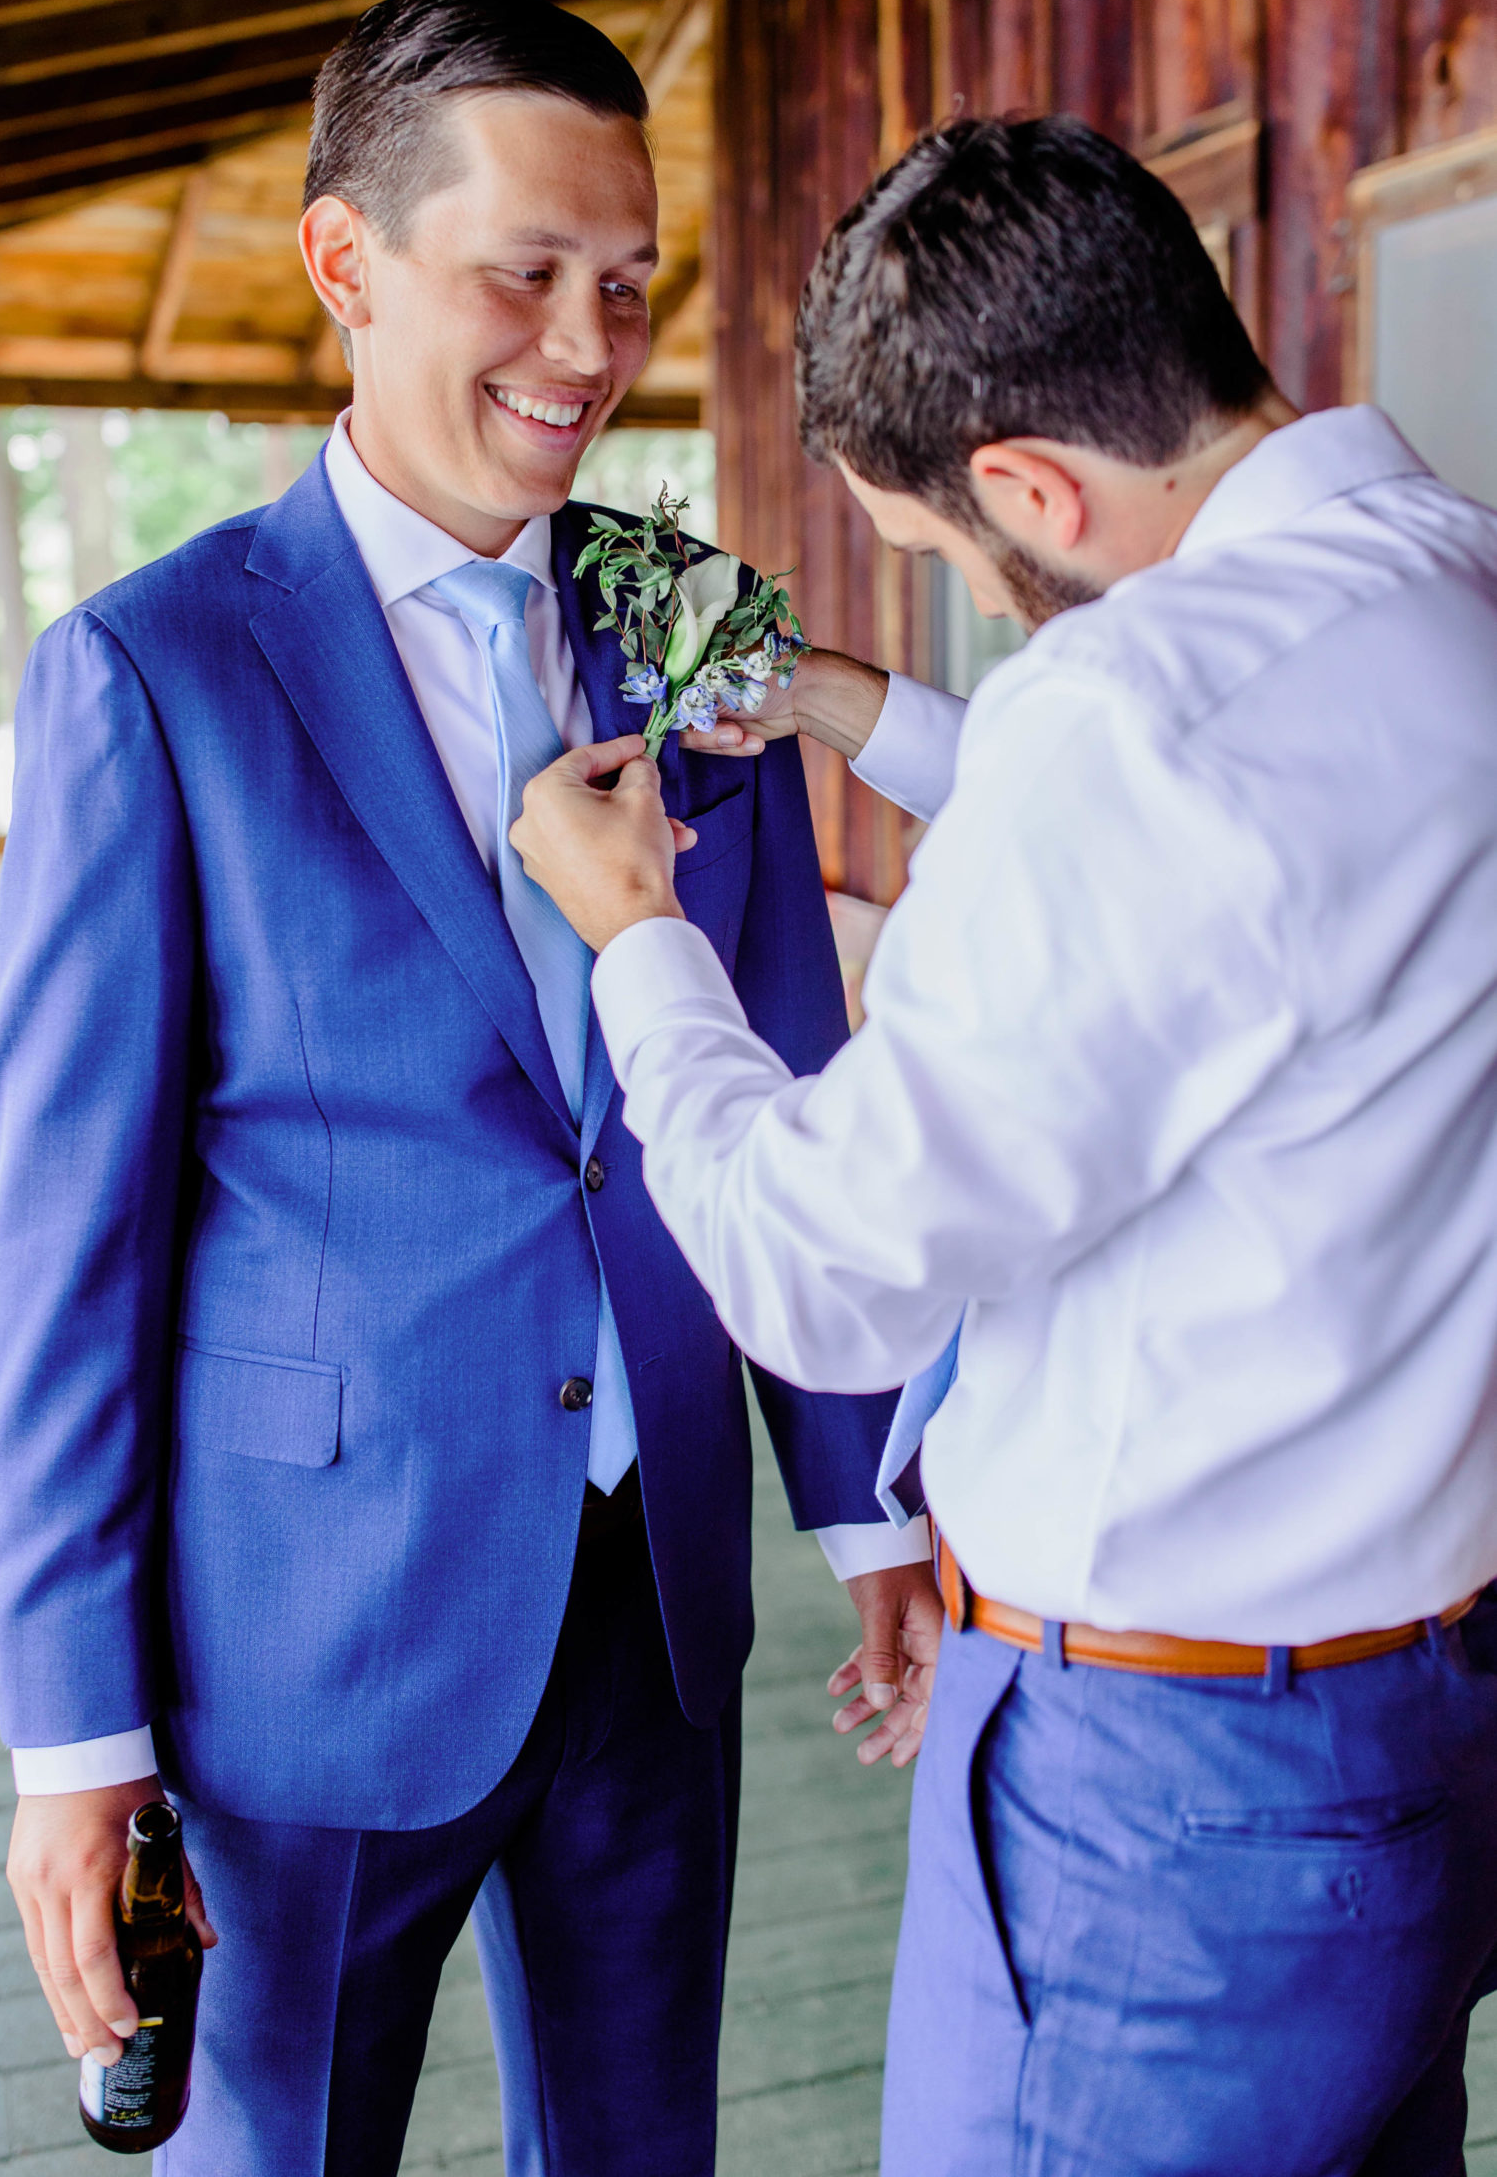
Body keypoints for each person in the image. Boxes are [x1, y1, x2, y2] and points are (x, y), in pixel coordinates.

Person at [0, 0, 938, 2177]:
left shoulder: (693, 626)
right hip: (304, 1621)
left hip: (654, 1586)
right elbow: (71, 1235)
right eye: (522, 275)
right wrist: (72, 1729)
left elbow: (772, 1060)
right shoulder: (149, 668)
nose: (587, 350)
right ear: (345, 261)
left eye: (624, 284)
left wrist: (860, 1490)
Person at [511, 114, 1497, 2175]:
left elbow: (810, 1257)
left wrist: (639, 944)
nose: (977, 596)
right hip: (1418, 1721)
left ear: (1034, 487)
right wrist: (854, 703)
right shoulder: (1441, 581)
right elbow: (1224, 838)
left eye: (961, 559)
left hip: (1166, 1795)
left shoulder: (1131, 712)